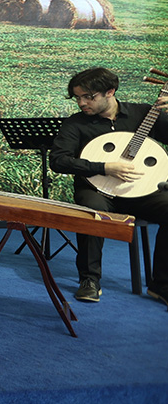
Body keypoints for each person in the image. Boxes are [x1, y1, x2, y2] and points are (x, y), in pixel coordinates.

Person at [49, 67, 168, 305]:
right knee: (92, 211)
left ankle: (161, 285)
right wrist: (104, 167)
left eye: (88, 97)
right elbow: (58, 160)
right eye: (78, 98)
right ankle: (90, 280)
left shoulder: (144, 114)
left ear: (110, 92)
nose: (82, 103)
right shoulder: (76, 124)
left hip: (142, 190)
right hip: (96, 190)